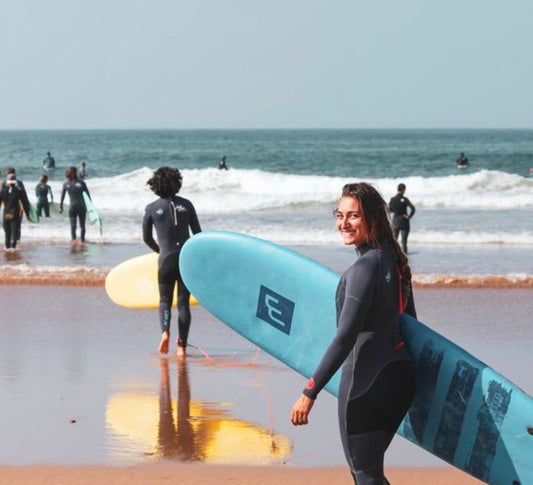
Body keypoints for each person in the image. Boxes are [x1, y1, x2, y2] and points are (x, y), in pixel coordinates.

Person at [290, 182, 416, 485]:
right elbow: (410, 322)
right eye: (339, 215)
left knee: (364, 474)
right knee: (370, 472)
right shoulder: (392, 258)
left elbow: (345, 338)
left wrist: (310, 392)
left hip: (365, 383)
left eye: (353, 216)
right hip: (400, 377)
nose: (343, 224)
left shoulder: (363, 268)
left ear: (372, 218)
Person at [143, 167, 202, 357]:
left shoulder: (151, 208)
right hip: (185, 260)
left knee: (165, 301)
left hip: (165, 260)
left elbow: (146, 238)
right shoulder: (187, 205)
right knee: (183, 303)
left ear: (156, 185)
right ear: (177, 183)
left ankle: (165, 332)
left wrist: (160, 251)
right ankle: (181, 347)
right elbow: (198, 236)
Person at [59, 166, 90, 244]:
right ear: (76, 172)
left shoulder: (66, 184)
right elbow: (88, 197)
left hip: (72, 207)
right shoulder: (82, 183)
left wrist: (61, 207)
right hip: (82, 207)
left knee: (73, 225)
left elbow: (62, 197)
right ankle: (82, 241)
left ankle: (73, 240)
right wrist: (90, 209)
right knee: (82, 225)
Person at [1, 173, 31, 250]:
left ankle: (7, 249)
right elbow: (25, 203)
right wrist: (28, 215)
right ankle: (12, 250)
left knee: (7, 234)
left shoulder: (3, 190)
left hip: (6, 214)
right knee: (14, 234)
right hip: (14, 214)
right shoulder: (19, 191)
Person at [388, 183, 415, 254]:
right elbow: (413, 208)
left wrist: (395, 210)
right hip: (404, 222)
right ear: (404, 190)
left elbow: (389, 210)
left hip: (395, 222)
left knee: (394, 242)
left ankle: (394, 257)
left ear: (397, 189)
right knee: (404, 242)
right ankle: (405, 258)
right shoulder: (405, 199)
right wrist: (409, 216)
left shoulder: (392, 199)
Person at [5, 167, 29, 242]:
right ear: (14, 173)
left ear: (7, 174)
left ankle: (9, 241)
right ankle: (17, 240)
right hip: (18, 207)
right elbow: (24, 195)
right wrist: (27, 208)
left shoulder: (4, 183)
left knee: (7, 225)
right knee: (17, 225)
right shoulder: (19, 182)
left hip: (7, 207)